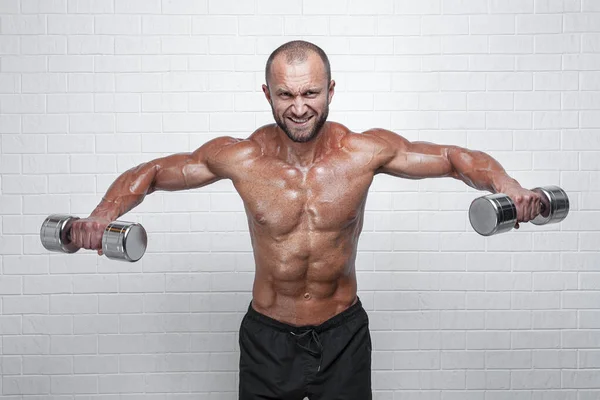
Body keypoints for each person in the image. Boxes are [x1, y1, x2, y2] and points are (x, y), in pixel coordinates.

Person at [69, 40, 543, 399]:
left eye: (311, 92)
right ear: (267, 94)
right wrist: (100, 217)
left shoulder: (363, 152)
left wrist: (511, 188)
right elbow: (151, 173)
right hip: (267, 337)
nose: (299, 107)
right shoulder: (241, 157)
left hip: (343, 334)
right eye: (286, 94)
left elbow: (453, 158)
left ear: (331, 90)